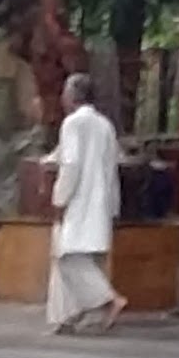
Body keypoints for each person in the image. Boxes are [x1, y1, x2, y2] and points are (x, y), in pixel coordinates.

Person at [46, 75, 125, 335]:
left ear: (72, 96)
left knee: (67, 257)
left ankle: (109, 300)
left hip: (80, 202)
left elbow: (70, 165)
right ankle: (74, 315)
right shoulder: (105, 125)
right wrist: (113, 207)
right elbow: (112, 167)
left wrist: (59, 199)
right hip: (100, 202)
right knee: (88, 260)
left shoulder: (73, 123)